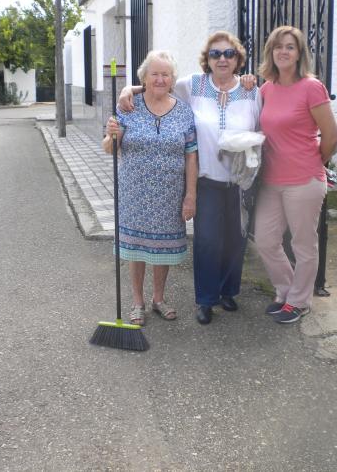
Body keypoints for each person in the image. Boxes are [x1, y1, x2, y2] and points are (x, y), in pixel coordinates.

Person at [118, 31, 261, 325]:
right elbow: (159, 84)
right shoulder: (193, 85)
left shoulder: (251, 91)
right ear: (207, 59)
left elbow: (260, 125)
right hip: (206, 179)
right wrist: (127, 90)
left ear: (238, 59)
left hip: (240, 181)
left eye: (229, 54)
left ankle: (228, 291)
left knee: (235, 239)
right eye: (215, 54)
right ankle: (206, 300)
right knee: (207, 241)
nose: (222, 59)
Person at [103, 50, 198, 326]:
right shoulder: (128, 106)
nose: (160, 79)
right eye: (154, 73)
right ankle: (137, 302)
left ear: (172, 79)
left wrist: (190, 195)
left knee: (162, 248)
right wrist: (112, 136)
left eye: (165, 74)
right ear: (144, 77)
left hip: (169, 193)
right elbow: (109, 148)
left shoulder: (184, 111)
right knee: (136, 248)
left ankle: (158, 298)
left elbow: (191, 156)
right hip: (134, 193)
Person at [254, 25, 337, 324]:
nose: (283, 51)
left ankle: (299, 302)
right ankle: (287, 292)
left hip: (304, 181)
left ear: (299, 53)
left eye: (290, 47)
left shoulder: (311, 87)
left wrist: (315, 162)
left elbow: (331, 136)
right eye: (278, 46)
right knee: (265, 240)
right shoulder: (266, 89)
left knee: (303, 245)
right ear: (271, 52)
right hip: (271, 181)